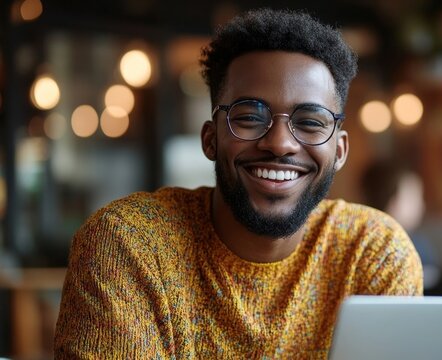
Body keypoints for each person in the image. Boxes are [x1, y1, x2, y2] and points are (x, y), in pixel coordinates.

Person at [54, 8, 423, 359]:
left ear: (339, 151)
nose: (280, 143)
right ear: (211, 139)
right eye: (249, 117)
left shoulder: (372, 253)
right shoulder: (129, 247)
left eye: (310, 122)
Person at [360, 160, 439, 289]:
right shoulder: (368, 240)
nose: (421, 205)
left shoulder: (419, 243)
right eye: (413, 198)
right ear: (392, 202)